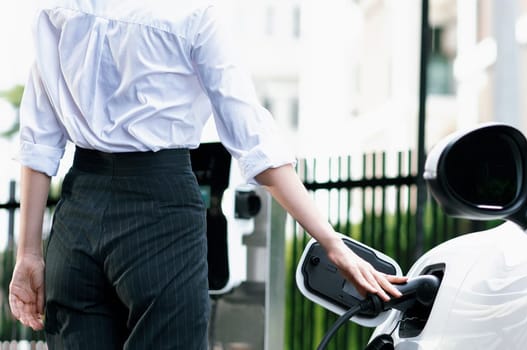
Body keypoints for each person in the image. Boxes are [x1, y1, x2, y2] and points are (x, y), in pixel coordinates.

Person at [8, 0, 407, 348]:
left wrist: (28, 255)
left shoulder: (57, 10)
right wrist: (330, 241)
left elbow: (39, 140)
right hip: (159, 210)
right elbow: (255, 144)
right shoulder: (193, 14)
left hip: (77, 216)